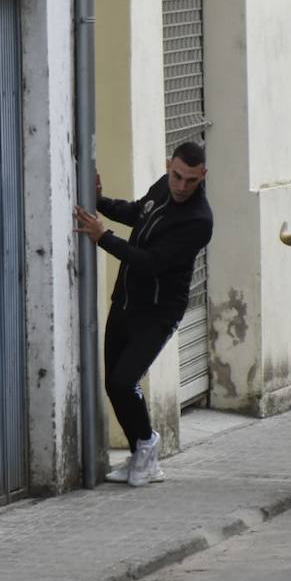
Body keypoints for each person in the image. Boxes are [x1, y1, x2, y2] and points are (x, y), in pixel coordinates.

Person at [74, 141, 213, 487]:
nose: (181, 187)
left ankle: (148, 446)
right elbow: (138, 212)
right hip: (125, 301)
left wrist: (102, 236)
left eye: (190, 181)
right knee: (113, 384)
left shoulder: (198, 220)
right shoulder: (163, 187)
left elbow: (151, 263)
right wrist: (100, 203)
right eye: (177, 176)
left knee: (125, 381)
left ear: (203, 176)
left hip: (157, 313)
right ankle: (142, 454)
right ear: (169, 166)